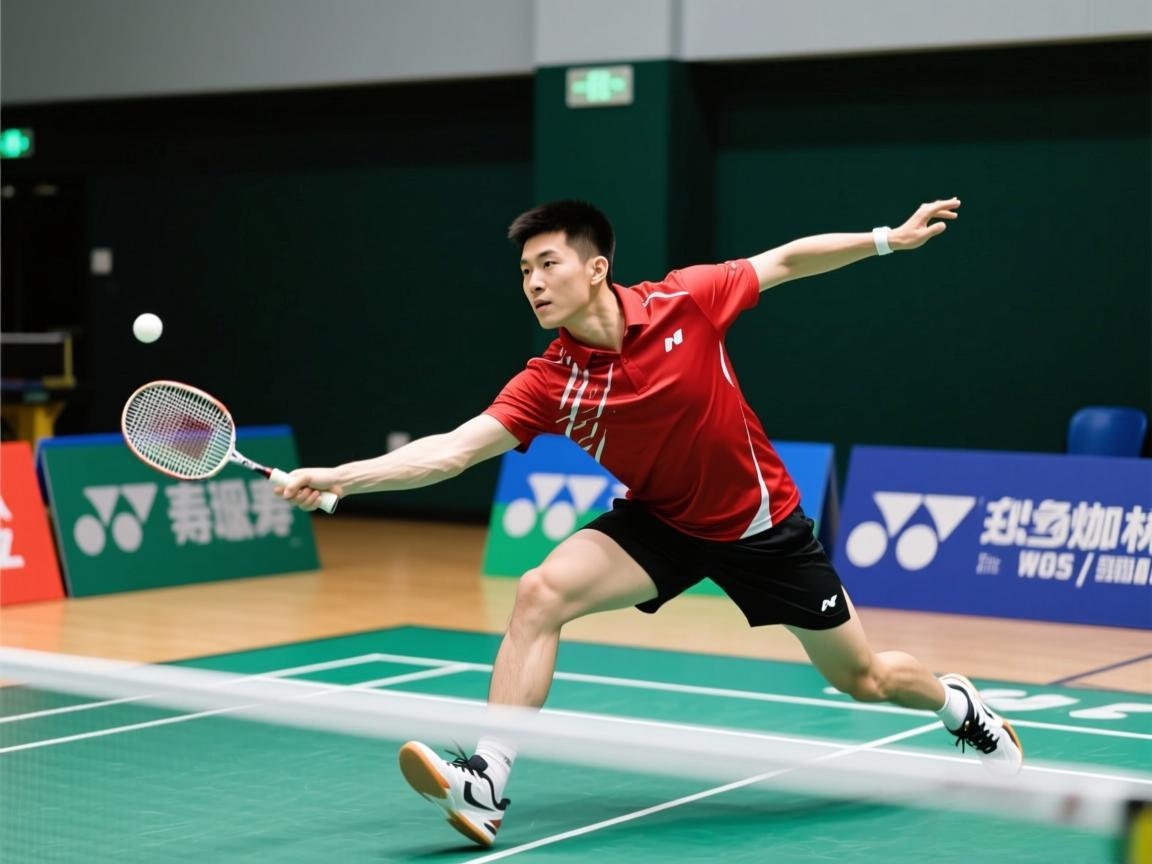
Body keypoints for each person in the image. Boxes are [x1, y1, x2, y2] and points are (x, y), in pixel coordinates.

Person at [277, 198, 1023, 848]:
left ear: (596, 268)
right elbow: (455, 450)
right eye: (524, 272)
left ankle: (957, 704)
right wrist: (342, 477)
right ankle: (486, 780)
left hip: (762, 528)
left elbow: (787, 260)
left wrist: (888, 238)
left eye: (548, 264)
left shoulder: (685, 300)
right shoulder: (550, 380)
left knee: (864, 678)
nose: (533, 283)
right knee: (540, 592)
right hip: (662, 523)